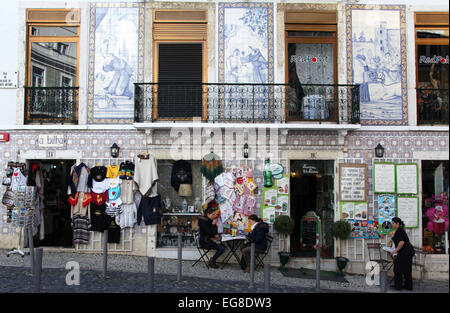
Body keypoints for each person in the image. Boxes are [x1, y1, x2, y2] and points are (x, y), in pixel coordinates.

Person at [390, 217, 415, 291]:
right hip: (407, 252)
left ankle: (398, 286)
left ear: (397, 223)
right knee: (407, 269)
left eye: (393, 223)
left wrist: (395, 250)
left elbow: (401, 242)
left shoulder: (400, 231)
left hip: (405, 252)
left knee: (397, 268)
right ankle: (408, 286)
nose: (392, 224)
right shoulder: (399, 230)